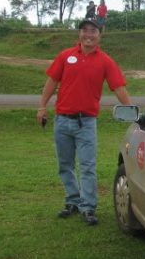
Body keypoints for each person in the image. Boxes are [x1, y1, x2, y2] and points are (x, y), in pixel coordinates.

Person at [37, 19, 133, 226]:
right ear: (79, 34)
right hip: (62, 120)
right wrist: (42, 107)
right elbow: (51, 81)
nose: (89, 34)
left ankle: (88, 207)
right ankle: (72, 201)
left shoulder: (105, 61)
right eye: (85, 31)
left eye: (94, 31)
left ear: (100, 35)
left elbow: (118, 87)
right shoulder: (65, 56)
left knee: (88, 166)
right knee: (65, 164)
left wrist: (131, 111)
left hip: (87, 122)